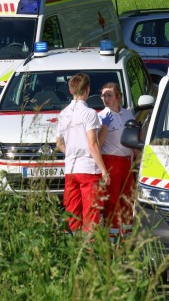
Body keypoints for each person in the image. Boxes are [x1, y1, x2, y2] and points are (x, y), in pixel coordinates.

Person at [57, 73, 111, 233]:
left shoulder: (64, 113)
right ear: (87, 90)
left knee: (72, 211)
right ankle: (89, 249)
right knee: (91, 212)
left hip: (70, 170)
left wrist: (72, 153)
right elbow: (93, 145)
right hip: (88, 169)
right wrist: (104, 170)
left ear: (70, 90)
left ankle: (71, 247)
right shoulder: (90, 114)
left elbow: (59, 143)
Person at [97, 82, 138, 240]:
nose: (106, 99)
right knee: (112, 200)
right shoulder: (101, 117)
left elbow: (134, 138)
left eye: (109, 95)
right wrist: (105, 127)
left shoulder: (128, 114)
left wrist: (139, 157)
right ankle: (112, 237)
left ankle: (127, 235)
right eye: (103, 95)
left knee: (127, 199)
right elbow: (98, 143)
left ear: (118, 97)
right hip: (111, 161)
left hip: (127, 161)